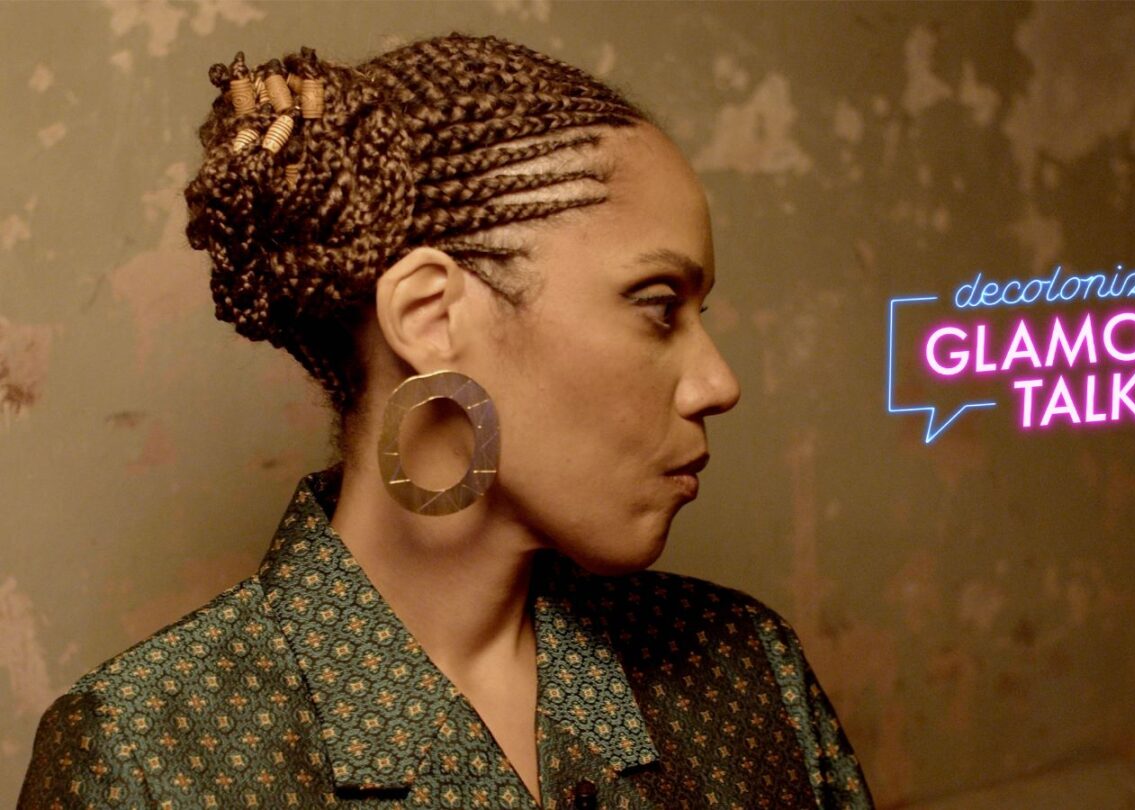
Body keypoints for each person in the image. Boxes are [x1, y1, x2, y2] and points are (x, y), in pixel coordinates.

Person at [19, 32, 873, 810]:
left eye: (701, 313)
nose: (718, 383)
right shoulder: (144, 759)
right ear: (431, 317)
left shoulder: (746, 672)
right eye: (658, 306)